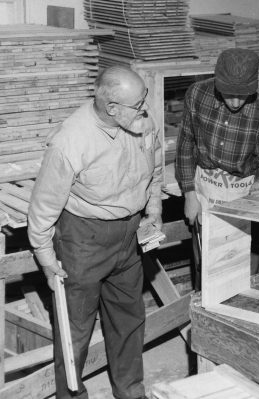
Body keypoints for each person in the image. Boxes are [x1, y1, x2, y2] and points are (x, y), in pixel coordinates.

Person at [28, 66, 162, 399]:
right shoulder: (70, 140)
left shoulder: (140, 119)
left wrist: (154, 208)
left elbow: (155, 165)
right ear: (112, 107)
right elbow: (43, 206)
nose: (144, 109)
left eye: (144, 100)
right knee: (75, 328)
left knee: (129, 318)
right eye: (137, 104)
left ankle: (130, 391)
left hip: (130, 236)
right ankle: (72, 396)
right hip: (84, 239)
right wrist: (46, 259)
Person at [175, 48, 259, 284]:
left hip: (241, 193)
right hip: (206, 191)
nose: (234, 102)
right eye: (229, 94)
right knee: (207, 266)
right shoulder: (197, 94)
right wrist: (190, 194)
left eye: (242, 96)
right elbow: (186, 143)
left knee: (243, 269)